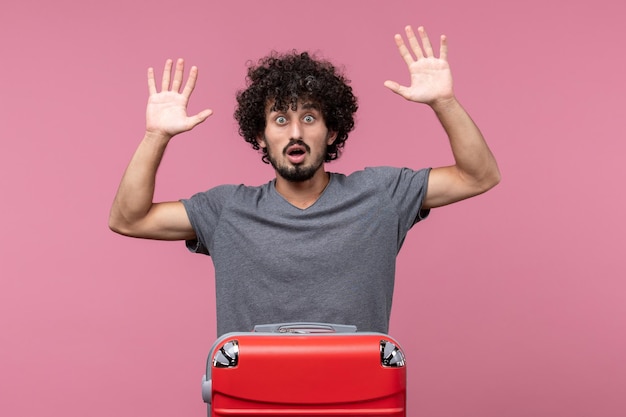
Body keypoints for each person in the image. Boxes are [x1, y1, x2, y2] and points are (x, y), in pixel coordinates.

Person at [109, 25, 500, 336]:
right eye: (280, 119)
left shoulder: (381, 195)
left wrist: (444, 102)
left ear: (331, 133)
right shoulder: (227, 210)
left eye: (309, 118)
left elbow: (478, 176)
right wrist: (155, 136)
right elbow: (129, 219)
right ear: (260, 136)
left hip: (357, 396)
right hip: (250, 397)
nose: (295, 131)